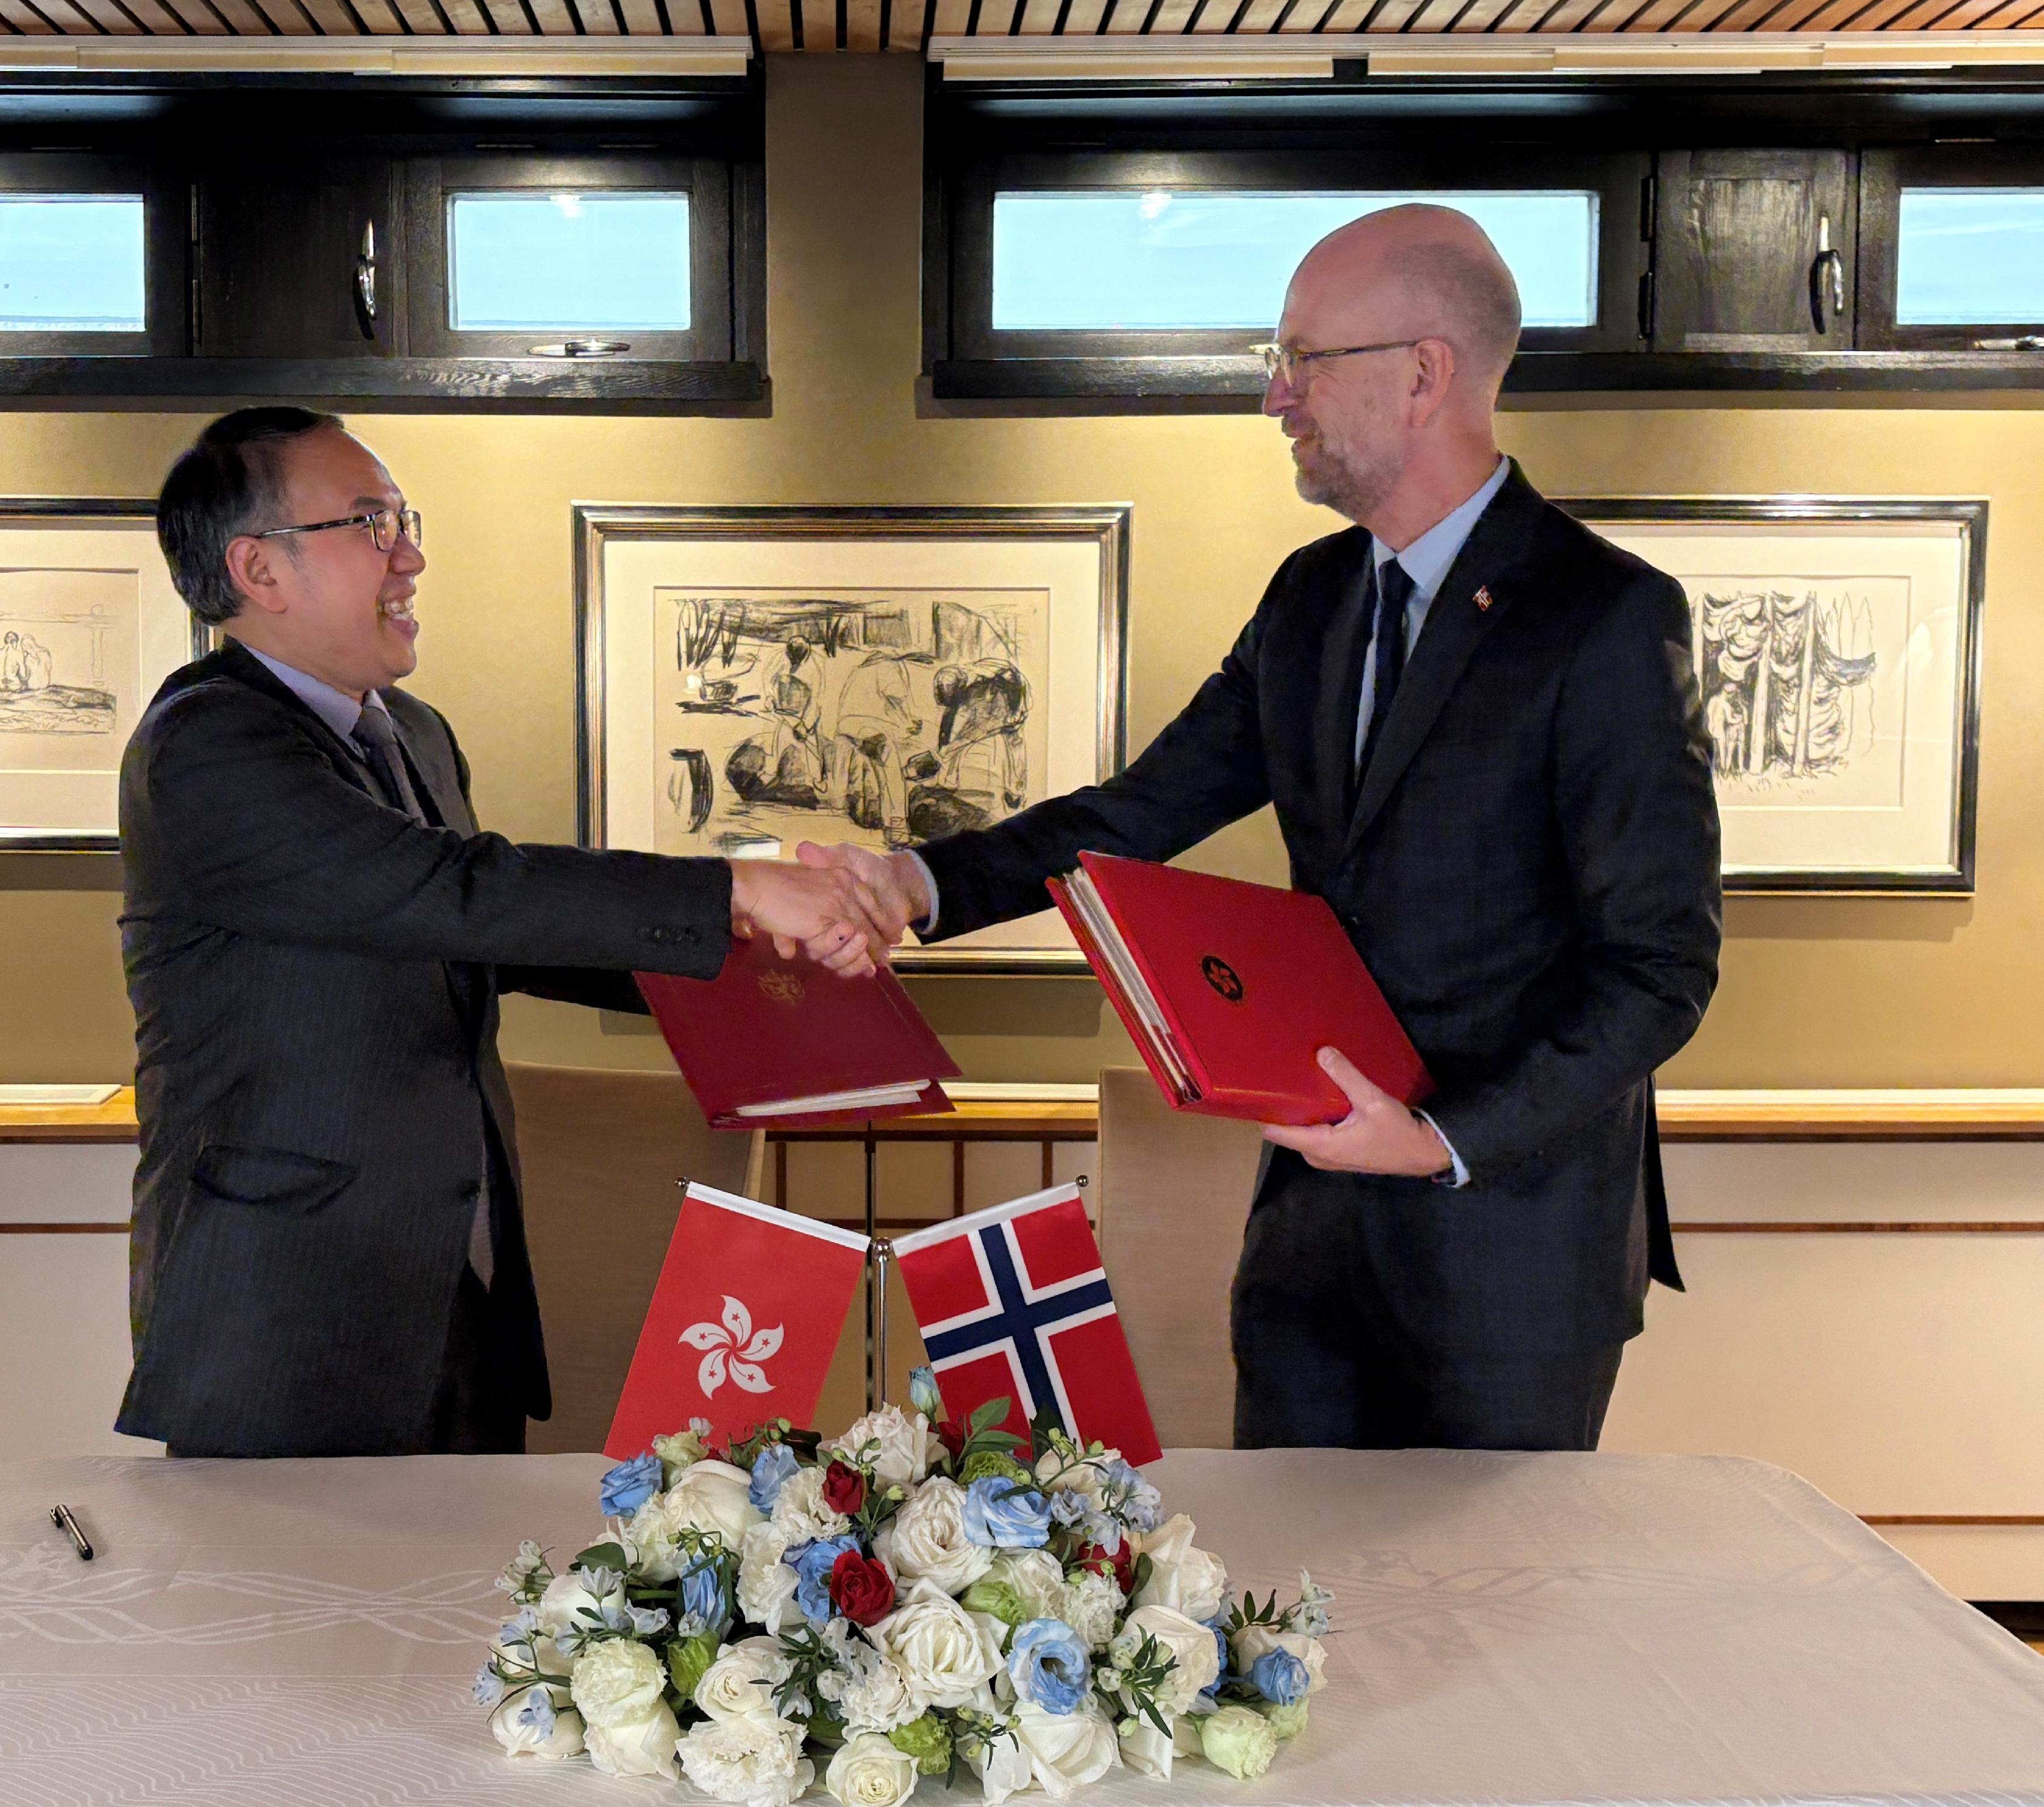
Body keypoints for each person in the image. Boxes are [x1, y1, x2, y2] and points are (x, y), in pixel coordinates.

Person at [806, 206, 1722, 1452]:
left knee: (1477, 1629)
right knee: (1291, 1615)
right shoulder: (1309, 599)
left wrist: (1442, 1139)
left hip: (1508, 1251)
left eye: (1300, 360)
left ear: (1422, 374)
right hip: (1306, 1247)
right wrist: (915, 884)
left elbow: (1657, 969)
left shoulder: (1604, 617)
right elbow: (1134, 815)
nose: (1273, 398)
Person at [117, 407, 885, 1459]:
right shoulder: (208, 743)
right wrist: (732, 893)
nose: (412, 556)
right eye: (374, 525)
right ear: (261, 568)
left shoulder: (412, 734)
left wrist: (762, 950)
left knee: (471, 1613)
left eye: (405, 521)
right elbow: (450, 888)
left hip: (458, 1278)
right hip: (292, 1314)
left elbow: (486, 934)